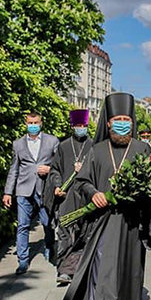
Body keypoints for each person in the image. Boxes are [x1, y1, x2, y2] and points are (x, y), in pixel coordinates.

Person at [51, 92, 151, 300]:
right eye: (117, 120)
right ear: (108, 123)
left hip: (133, 224)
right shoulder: (97, 150)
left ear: (132, 123)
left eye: (126, 119)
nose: (122, 124)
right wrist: (94, 193)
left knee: (128, 274)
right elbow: (82, 182)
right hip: (104, 225)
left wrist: (144, 194)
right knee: (104, 276)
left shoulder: (143, 149)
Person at [2, 112, 60, 274]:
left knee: (48, 223)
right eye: (29, 122)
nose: (32, 125)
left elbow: (60, 164)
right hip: (23, 189)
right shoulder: (18, 144)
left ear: (41, 123)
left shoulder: (52, 141)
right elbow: (14, 170)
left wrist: (50, 170)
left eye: (35, 122)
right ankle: (23, 261)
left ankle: (49, 247)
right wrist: (8, 192)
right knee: (22, 225)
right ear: (25, 123)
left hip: (44, 189)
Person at [44, 109, 94, 284]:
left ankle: (81, 267)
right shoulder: (64, 146)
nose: (81, 128)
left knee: (84, 232)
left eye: (84, 125)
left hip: (86, 196)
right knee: (65, 230)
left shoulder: (93, 146)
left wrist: (85, 168)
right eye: (78, 125)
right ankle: (64, 269)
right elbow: (55, 169)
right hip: (67, 196)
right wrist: (57, 185)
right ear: (73, 126)